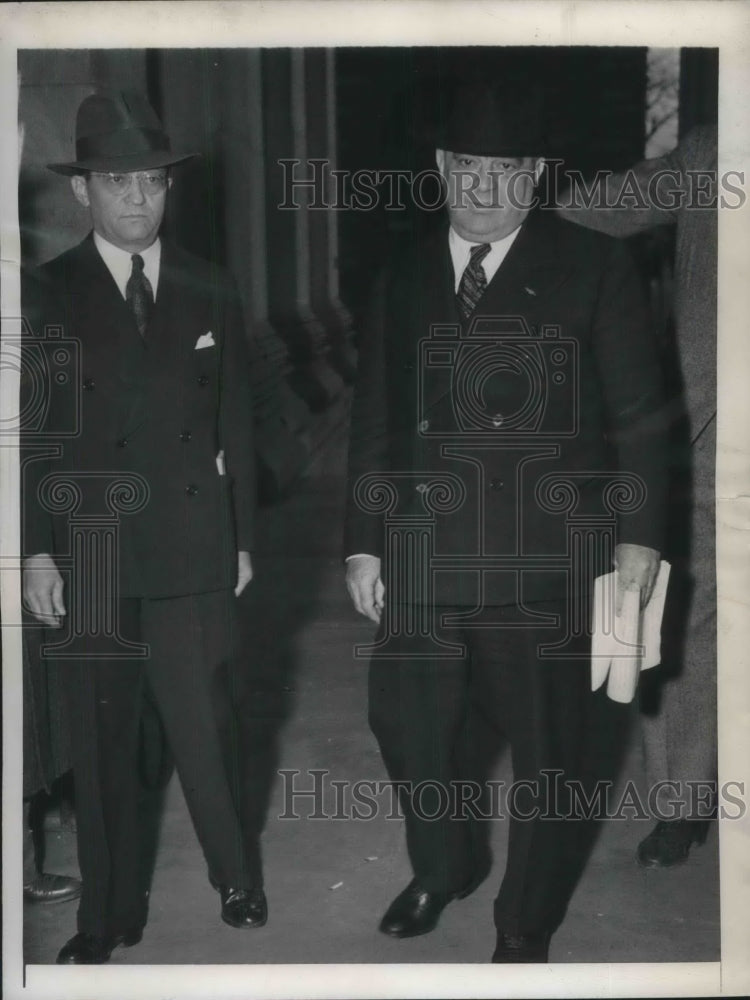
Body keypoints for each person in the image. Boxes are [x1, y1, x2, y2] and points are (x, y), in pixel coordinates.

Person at [344, 82, 668, 963]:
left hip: (546, 563)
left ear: (535, 177)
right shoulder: (403, 274)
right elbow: (374, 419)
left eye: (508, 172)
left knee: (549, 753)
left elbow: (642, 417)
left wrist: (638, 538)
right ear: (443, 168)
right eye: (471, 168)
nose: (487, 190)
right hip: (423, 553)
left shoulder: (594, 267)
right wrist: (364, 542)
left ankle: (524, 919)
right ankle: (444, 864)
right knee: (405, 726)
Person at [21, 90, 265, 964]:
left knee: (208, 725)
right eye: (116, 182)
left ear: (169, 190)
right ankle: (108, 912)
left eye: (151, 183)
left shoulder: (210, 284)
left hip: (194, 548)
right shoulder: (45, 294)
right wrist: (37, 550)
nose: (136, 199)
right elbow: (35, 436)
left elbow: (238, 416)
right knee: (103, 741)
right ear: (83, 192)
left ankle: (237, 875)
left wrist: (240, 540)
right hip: (89, 550)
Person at [557, 124, 718, 867]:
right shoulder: (721, 153)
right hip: (716, 427)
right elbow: (600, 205)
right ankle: (681, 801)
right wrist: (500, 198)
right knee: (693, 611)